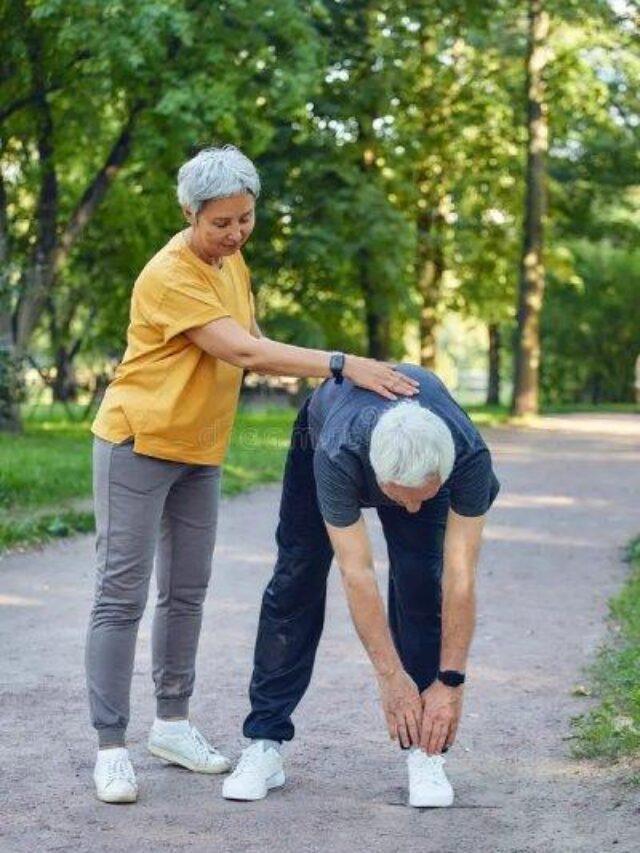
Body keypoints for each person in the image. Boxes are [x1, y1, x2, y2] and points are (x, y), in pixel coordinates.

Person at [86, 145, 418, 804]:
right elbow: (238, 348)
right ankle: (110, 746)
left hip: (199, 449)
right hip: (138, 440)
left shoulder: (232, 262)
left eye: (245, 218)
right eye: (221, 223)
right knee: (120, 593)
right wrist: (343, 362)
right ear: (189, 212)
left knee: (186, 591)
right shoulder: (169, 273)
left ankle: (172, 724)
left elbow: (257, 342)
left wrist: (329, 391)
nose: (235, 233)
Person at [223, 364, 500, 808]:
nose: (411, 509)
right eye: (401, 496)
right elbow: (358, 573)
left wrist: (451, 682)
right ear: (375, 475)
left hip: (418, 453)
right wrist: (391, 677)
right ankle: (264, 741)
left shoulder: (468, 458)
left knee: (420, 583)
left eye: (424, 496)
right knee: (298, 576)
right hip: (325, 428)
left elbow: (460, 575)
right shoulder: (338, 454)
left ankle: (425, 750)